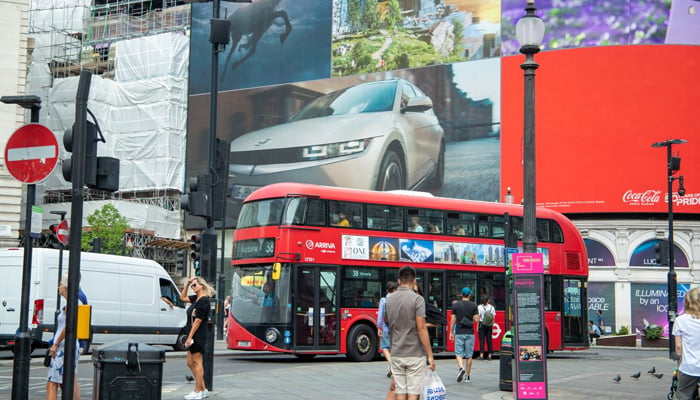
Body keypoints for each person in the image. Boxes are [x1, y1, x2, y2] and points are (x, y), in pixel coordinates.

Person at [384, 265, 435, 400]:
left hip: (396, 352)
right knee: (414, 393)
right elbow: (421, 328)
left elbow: (386, 320)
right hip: (414, 354)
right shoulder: (418, 299)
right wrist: (430, 355)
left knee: (400, 391)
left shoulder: (389, 299)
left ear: (399, 281)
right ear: (414, 281)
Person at [180, 276, 216, 400]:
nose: (193, 287)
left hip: (198, 335)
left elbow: (198, 321)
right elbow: (182, 297)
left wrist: (189, 337)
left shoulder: (204, 301)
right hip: (193, 334)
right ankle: (203, 389)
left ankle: (198, 390)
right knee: (190, 363)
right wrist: (187, 284)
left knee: (197, 362)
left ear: (201, 286)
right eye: (192, 286)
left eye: (194, 285)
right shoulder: (196, 299)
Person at [46, 276, 80, 400]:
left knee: (52, 384)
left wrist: (55, 344)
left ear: (65, 288)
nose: (58, 287)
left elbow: (68, 326)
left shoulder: (72, 303)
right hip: (67, 346)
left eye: (60, 284)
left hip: (63, 347)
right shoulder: (72, 302)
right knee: (67, 383)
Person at [673, 286, 700, 400]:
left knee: (682, 396)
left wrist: (678, 369)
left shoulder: (680, 320)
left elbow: (679, 348)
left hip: (689, 367)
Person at [449, 287, 479, 383]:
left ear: (461, 294)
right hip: (470, 332)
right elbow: (476, 320)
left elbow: (453, 319)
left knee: (458, 353)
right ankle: (467, 376)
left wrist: (450, 332)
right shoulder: (474, 306)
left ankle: (461, 367)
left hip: (459, 332)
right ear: (470, 295)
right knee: (469, 355)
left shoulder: (456, 306)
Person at [378, 281, 398, 378]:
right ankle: (391, 367)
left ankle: (392, 365)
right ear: (395, 289)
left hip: (386, 327)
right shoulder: (398, 300)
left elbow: (380, 315)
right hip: (397, 328)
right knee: (394, 348)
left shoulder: (383, 300)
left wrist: (379, 327)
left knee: (385, 347)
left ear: (387, 290)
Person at [477, 295, 496, 360]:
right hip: (489, 326)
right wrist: (492, 326)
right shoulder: (492, 307)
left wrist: (477, 326)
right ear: (488, 300)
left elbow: (479, 317)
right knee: (489, 340)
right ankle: (490, 355)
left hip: (482, 324)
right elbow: (493, 318)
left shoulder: (479, 307)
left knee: (482, 341)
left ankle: (481, 355)